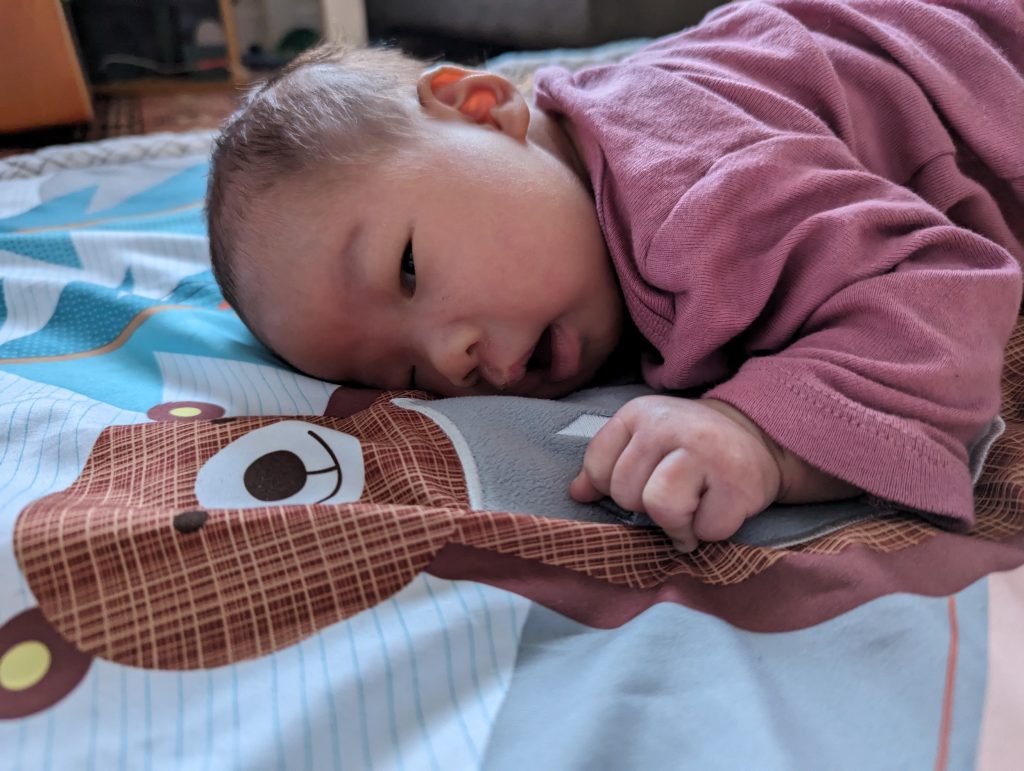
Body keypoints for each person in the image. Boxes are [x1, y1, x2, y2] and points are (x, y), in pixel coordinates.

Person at [206, 0, 1024, 552]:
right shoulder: (587, 220)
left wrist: (762, 437)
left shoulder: (693, 187)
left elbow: (934, 289)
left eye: (411, 268)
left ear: (482, 107)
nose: (451, 358)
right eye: (404, 372)